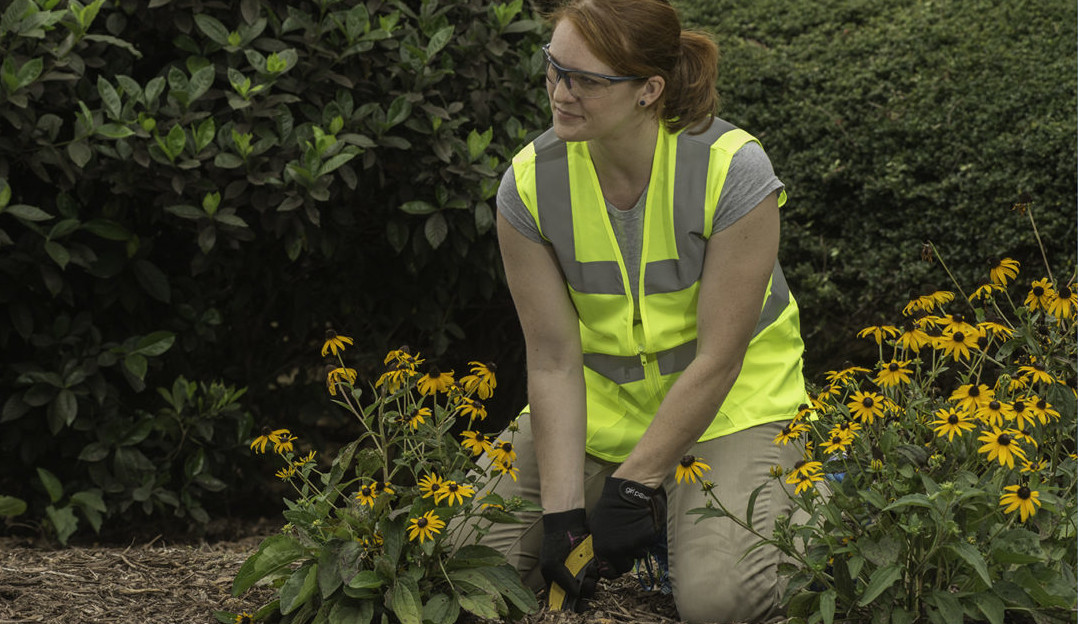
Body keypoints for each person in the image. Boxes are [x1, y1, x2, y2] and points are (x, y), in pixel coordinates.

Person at [482, 0, 809, 621]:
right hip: (603, 415)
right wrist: (563, 515)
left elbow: (720, 358)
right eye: (554, 68)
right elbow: (552, 360)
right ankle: (669, 514)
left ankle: (798, 502)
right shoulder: (527, 185)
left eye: (586, 80)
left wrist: (634, 487)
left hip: (734, 411)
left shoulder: (732, 170)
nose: (560, 92)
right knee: (465, 563)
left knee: (719, 604)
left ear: (649, 90)